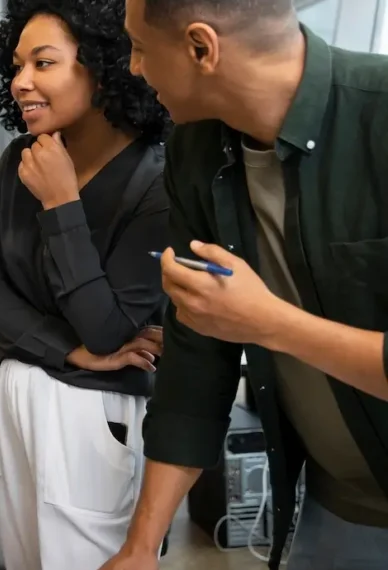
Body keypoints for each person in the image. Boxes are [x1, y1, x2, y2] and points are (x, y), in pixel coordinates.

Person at [102, 0, 388, 568]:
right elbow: (194, 362)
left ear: (201, 48)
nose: (133, 68)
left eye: (139, 46)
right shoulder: (196, 151)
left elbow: (247, 320)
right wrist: (139, 550)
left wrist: (267, 323)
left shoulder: (377, 117)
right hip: (338, 512)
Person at [0, 0, 173, 567]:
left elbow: (107, 331)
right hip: (14, 394)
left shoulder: (157, 181)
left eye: (43, 63)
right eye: (16, 65)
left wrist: (61, 202)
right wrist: (66, 350)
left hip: (93, 413)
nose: (21, 80)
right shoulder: (19, 158)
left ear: (104, 65)